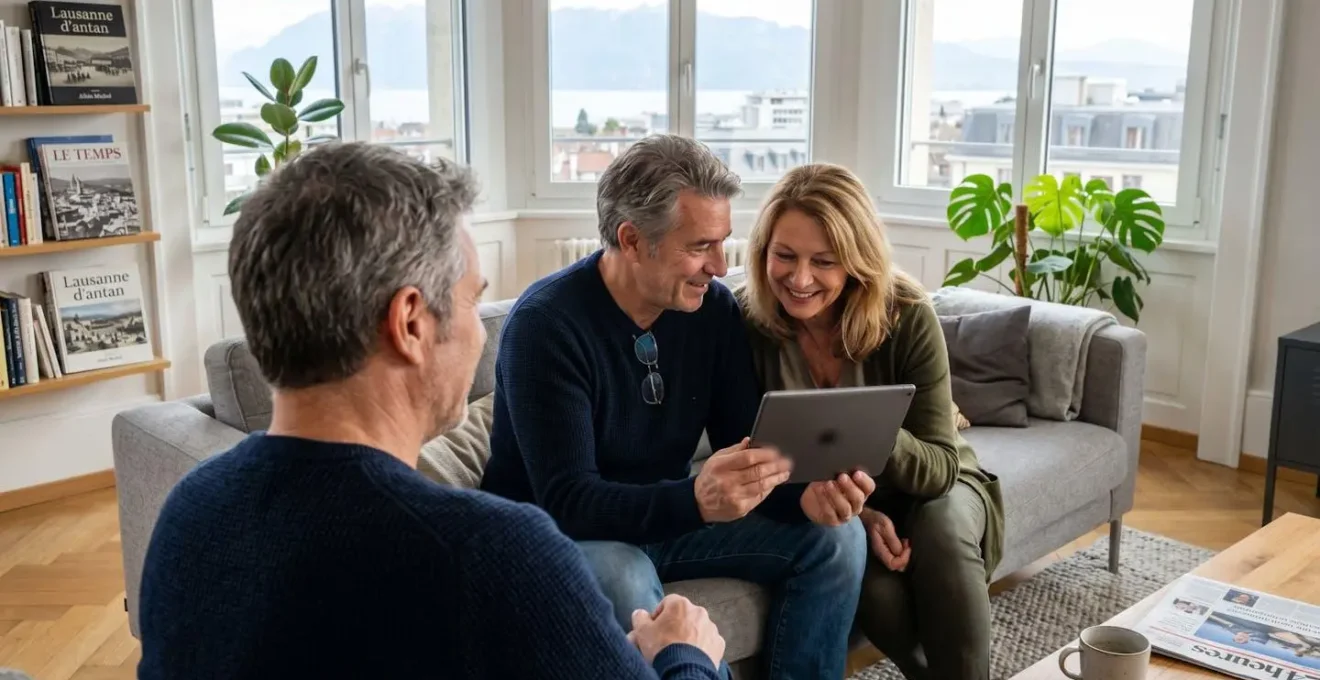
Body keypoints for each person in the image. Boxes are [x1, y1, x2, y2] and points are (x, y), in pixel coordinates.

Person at [136, 142, 727, 680]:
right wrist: (684, 655)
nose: (481, 332)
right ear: (410, 324)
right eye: (472, 301)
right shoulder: (490, 553)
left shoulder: (191, 511)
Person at [480, 135, 870, 679]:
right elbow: (567, 500)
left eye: (723, 243)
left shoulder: (712, 310)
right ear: (632, 240)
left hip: (664, 518)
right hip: (556, 533)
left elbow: (745, 441)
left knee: (838, 538)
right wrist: (696, 500)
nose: (720, 266)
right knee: (623, 574)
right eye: (700, 246)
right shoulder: (545, 326)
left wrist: (804, 495)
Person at [736, 162, 1006, 680]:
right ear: (762, 251)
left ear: (856, 261)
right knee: (872, 588)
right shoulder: (747, 323)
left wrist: (866, 423)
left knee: (942, 533)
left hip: (937, 485)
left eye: (824, 261)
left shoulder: (906, 312)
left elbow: (940, 467)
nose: (799, 278)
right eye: (784, 256)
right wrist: (859, 514)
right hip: (838, 504)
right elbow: (754, 459)